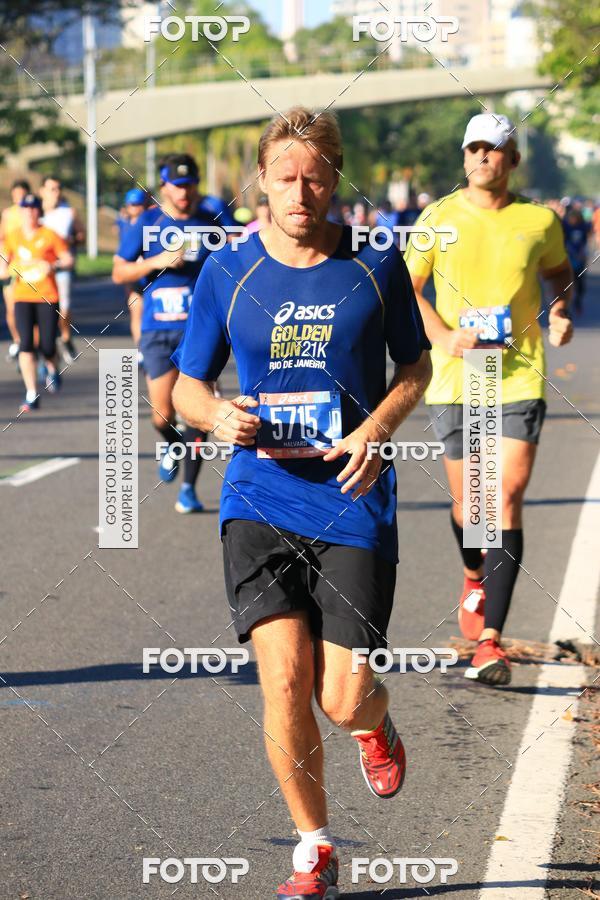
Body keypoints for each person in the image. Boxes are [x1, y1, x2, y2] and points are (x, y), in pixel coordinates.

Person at [172, 107, 431, 899]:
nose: (300, 192)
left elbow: (415, 367)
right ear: (261, 179)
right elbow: (186, 385)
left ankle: (373, 722)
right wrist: (216, 416)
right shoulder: (228, 270)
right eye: (285, 177)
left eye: (315, 178)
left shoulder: (374, 263)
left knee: (340, 698)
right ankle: (314, 849)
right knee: (284, 682)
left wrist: (378, 428)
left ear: (335, 178)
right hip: (258, 495)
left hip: (351, 498)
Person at [405, 113, 574, 686]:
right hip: (460, 376)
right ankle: (474, 573)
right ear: (464, 157)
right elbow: (407, 289)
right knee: (471, 507)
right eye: (473, 147)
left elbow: (559, 273)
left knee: (504, 498)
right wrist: (442, 335)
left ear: (512, 159)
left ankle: (490, 642)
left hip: (517, 374)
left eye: (493, 148)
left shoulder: (539, 220)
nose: (482, 156)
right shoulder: (438, 218)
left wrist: (560, 310)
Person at [112, 155, 222, 514]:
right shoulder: (147, 223)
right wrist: (157, 261)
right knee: (161, 416)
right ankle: (173, 443)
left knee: (198, 411)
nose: (184, 193)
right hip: (158, 329)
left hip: (199, 331)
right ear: (163, 187)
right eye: (177, 186)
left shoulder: (211, 223)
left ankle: (188, 488)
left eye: (190, 185)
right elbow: (119, 272)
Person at [0, 193, 73, 412]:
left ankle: (52, 365)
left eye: (34, 208)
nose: (30, 212)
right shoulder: (13, 236)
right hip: (22, 296)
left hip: (47, 296)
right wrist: (6, 270)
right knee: (26, 345)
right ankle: (31, 393)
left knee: (47, 345)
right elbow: (4, 262)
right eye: (26, 208)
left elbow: (68, 259)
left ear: (39, 211)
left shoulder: (49, 234)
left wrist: (53, 265)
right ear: (21, 211)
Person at [39, 175, 85, 364]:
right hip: (41, 271)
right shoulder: (35, 213)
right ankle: (45, 349)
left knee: (64, 308)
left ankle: (65, 338)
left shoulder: (68, 212)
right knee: (43, 309)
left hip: (62, 267)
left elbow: (82, 236)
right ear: (42, 191)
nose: (56, 193)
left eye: (58, 189)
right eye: (52, 189)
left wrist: (69, 240)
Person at [0, 179, 31, 360]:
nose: (19, 198)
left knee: (31, 309)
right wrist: (2, 265)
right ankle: (18, 341)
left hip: (32, 271)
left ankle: (32, 344)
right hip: (12, 268)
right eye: (16, 195)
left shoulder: (33, 213)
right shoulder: (8, 214)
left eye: (22, 195)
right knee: (12, 309)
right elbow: (2, 240)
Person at [114, 187, 148, 350]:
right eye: (132, 205)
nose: (135, 208)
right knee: (136, 310)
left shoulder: (152, 223)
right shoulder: (124, 224)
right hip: (134, 274)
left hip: (151, 273)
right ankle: (140, 348)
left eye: (138, 204)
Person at [562, 206, 590, 314]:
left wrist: (582, 253)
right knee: (568, 282)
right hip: (568, 258)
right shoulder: (565, 226)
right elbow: (565, 242)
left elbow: (584, 241)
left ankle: (578, 301)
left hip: (579, 258)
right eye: (571, 219)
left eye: (575, 219)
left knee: (580, 283)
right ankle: (566, 305)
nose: (573, 221)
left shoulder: (583, 226)